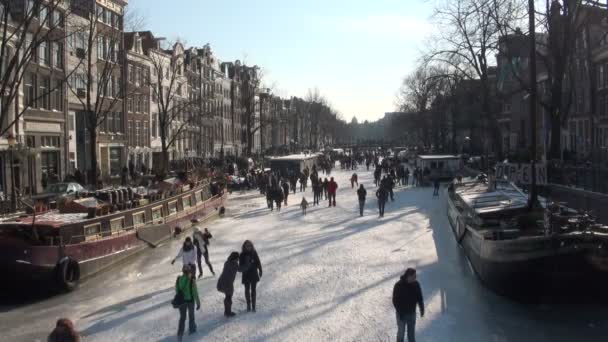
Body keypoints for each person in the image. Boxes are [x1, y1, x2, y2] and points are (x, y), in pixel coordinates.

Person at [392, 268, 424, 342]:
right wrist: (400, 312)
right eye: (413, 277)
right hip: (401, 315)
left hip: (412, 314)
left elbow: (419, 297)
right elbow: (395, 300)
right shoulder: (398, 285)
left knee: (411, 335)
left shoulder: (416, 284)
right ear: (408, 276)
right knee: (401, 334)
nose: (415, 278)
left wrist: (421, 307)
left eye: (415, 276)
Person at [175, 264, 201, 341]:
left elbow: (177, 291)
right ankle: (192, 329)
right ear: (190, 271)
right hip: (190, 301)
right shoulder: (192, 280)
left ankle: (180, 334)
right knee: (191, 316)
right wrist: (198, 302)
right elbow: (195, 292)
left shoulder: (178, 279)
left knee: (182, 318)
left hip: (181, 302)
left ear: (183, 271)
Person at [217, 252, 242, 318]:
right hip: (227, 283)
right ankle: (228, 312)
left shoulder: (227, 262)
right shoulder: (234, 264)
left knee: (227, 296)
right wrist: (248, 264)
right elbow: (240, 269)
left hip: (221, 281)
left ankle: (227, 311)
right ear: (235, 258)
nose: (238, 260)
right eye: (237, 258)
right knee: (228, 297)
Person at [240, 240, 263, 312]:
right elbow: (240, 266)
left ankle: (253, 306)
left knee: (253, 290)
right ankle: (248, 305)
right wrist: (246, 265)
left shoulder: (254, 253)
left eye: (250, 245)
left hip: (253, 274)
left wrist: (260, 270)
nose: (248, 247)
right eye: (247, 246)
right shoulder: (242, 255)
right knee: (247, 290)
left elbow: (258, 262)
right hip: (246, 274)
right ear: (244, 246)